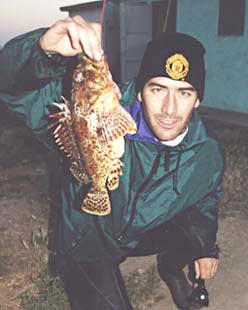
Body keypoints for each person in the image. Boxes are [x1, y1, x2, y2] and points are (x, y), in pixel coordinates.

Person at [0, 16, 223, 310]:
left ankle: (170, 268)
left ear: (197, 101)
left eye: (183, 92)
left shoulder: (206, 155)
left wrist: (205, 248)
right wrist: (43, 52)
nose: (170, 108)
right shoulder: (88, 112)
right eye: (157, 89)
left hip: (137, 233)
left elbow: (206, 201)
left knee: (194, 233)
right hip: (87, 240)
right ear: (140, 90)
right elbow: (11, 86)